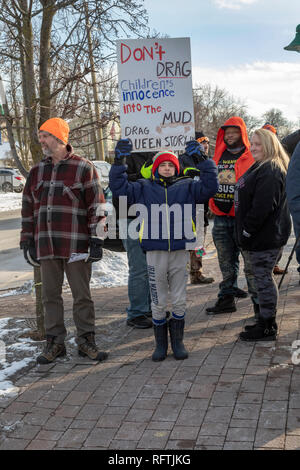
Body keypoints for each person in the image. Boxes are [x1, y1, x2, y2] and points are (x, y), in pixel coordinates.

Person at [109, 139, 218, 361]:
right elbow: (119, 188)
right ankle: (160, 345)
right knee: (158, 301)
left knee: (179, 299)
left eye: (170, 165)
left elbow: (211, 187)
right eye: (162, 165)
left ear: (176, 168)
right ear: (156, 168)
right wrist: (119, 161)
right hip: (154, 252)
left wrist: (202, 160)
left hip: (179, 250)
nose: (167, 168)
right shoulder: (143, 187)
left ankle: (178, 342)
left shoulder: (187, 186)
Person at [20, 117, 108, 364]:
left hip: (76, 245)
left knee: (82, 295)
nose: (42, 142)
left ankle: (86, 341)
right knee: (50, 296)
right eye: (40, 137)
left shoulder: (83, 167)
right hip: (46, 244)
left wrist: (97, 239)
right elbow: (27, 206)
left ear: (59, 137)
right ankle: (55, 343)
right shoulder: (37, 171)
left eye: (45, 136)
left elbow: (97, 205)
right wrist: (27, 239)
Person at [235, 128, 291, 341]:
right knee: (260, 278)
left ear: (269, 145)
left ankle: (268, 326)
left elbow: (263, 207)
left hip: (264, 237)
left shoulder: (271, 169)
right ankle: (263, 320)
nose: (254, 148)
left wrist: (247, 230)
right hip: (261, 236)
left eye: (258, 144)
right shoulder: (262, 165)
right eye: (253, 143)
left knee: (263, 279)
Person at [206, 116, 258, 315]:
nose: (229, 136)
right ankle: (226, 298)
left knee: (251, 264)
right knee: (226, 262)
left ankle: (259, 307)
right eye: (227, 133)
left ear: (241, 134)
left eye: (234, 132)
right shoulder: (217, 156)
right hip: (220, 217)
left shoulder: (251, 156)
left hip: (243, 219)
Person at [113, 150, 154, 328]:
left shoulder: (159, 148)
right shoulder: (126, 151)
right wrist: (143, 175)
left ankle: (149, 307)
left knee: (152, 265)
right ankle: (137, 312)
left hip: (152, 214)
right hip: (129, 214)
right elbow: (118, 183)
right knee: (139, 267)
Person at [179, 132, 214, 284]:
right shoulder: (183, 159)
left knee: (199, 244)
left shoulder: (207, 160)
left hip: (201, 210)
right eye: (201, 142)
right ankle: (179, 274)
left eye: (206, 142)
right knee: (185, 244)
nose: (205, 145)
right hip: (185, 210)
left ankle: (197, 272)